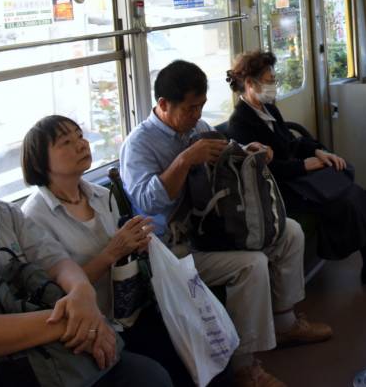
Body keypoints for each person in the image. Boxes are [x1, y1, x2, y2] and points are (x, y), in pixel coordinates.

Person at [121, 60, 332, 387]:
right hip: (171, 250)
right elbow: (148, 201)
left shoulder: (198, 128)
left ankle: (287, 323)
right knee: (251, 265)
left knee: (290, 232)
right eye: (190, 108)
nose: (196, 116)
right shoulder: (139, 145)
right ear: (163, 105)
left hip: (210, 229)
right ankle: (244, 367)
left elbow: (226, 157)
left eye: (201, 107)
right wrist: (184, 159)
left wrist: (249, 151)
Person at [0, 107, 172, 387]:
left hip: (44, 352)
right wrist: (74, 321)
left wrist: (81, 293)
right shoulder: (35, 209)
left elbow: (58, 262)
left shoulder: (4, 215)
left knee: (149, 376)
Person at [20, 115, 234, 386]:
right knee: (171, 369)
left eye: (80, 135)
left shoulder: (101, 194)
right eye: (66, 142)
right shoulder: (34, 217)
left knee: (207, 346)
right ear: (40, 161)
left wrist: (138, 244)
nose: (80, 144)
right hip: (92, 325)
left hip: (130, 309)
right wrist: (112, 251)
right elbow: (54, 293)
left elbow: (123, 257)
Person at [220, 51, 366, 285]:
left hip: (294, 178)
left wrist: (317, 151)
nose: (273, 86)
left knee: (348, 185)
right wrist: (304, 166)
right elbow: (266, 169)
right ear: (249, 83)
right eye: (269, 81)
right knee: (342, 202)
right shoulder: (240, 123)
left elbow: (291, 142)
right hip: (277, 189)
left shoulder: (268, 109)